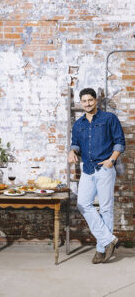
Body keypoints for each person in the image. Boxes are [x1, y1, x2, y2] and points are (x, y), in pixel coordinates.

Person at [68, 88, 125, 264]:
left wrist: (111, 161)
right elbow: (76, 144)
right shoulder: (78, 125)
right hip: (87, 169)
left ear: (96, 101)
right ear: (81, 102)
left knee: (106, 208)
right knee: (83, 203)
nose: (87, 104)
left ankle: (101, 249)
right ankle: (109, 240)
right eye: (84, 101)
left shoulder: (109, 119)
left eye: (90, 100)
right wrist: (72, 151)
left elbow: (119, 142)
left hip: (105, 168)